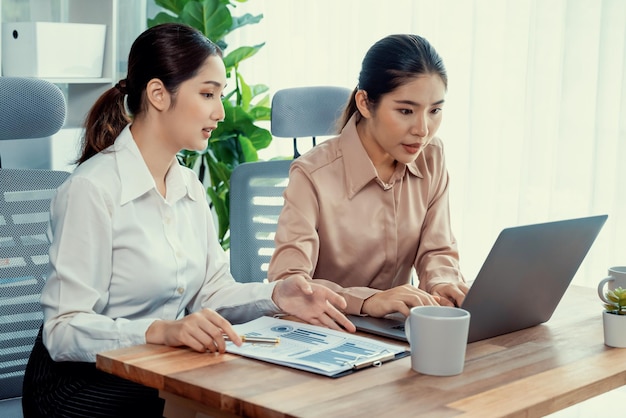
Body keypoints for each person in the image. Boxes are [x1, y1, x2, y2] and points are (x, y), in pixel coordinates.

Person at [22, 23, 354, 418]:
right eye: (208, 93)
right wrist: (159, 331)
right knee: (209, 406)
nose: (220, 111)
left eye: (220, 96)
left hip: (153, 367)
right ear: (159, 94)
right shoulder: (92, 190)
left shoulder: (188, 188)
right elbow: (63, 331)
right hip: (76, 384)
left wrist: (278, 294)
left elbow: (212, 293)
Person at [267, 34, 469, 319]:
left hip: (396, 331)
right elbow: (288, 282)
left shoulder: (431, 156)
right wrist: (367, 300)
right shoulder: (311, 174)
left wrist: (443, 284)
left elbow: (436, 248)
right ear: (364, 102)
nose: (423, 129)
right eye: (406, 111)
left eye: (435, 110)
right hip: (327, 329)